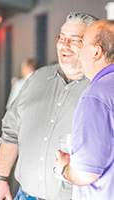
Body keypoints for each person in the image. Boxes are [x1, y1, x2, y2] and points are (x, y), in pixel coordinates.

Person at [0, 12, 98, 200]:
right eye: (62, 38)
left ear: (94, 46)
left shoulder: (101, 88)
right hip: (25, 195)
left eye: (74, 40)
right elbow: (11, 132)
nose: (64, 45)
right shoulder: (37, 78)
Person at [54, 19, 114, 200]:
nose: (78, 50)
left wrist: (64, 169)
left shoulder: (95, 96)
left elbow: (86, 173)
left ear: (97, 52)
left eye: (82, 43)